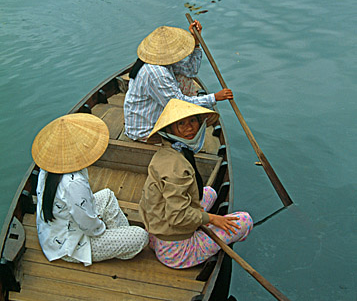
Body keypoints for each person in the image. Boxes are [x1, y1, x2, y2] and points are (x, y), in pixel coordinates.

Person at [139, 99, 253, 269]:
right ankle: (199, 236)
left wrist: (200, 217)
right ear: (169, 130)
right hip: (175, 250)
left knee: (209, 193)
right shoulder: (176, 168)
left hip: (156, 230)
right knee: (245, 221)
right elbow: (177, 217)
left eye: (193, 121)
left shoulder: (168, 152)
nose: (189, 128)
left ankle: (197, 223)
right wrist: (213, 219)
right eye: (181, 124)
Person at [32, 113, 149, 267]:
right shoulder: (74, 183)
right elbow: (89, 226)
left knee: (107, 195)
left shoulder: (49, 168)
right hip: (70, 246)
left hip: (56, 231)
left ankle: (119, 237)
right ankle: (120, 241)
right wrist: (101, 228)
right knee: (140, 237)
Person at [123, 21, 233, 141]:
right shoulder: (156, 73)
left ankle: (186, 120)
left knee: (185, 79)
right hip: (146, 129)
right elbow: (179, 103)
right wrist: (214, 97)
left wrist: (196, 42)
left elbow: (190, 71)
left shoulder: (163, 60)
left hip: (156, 113)